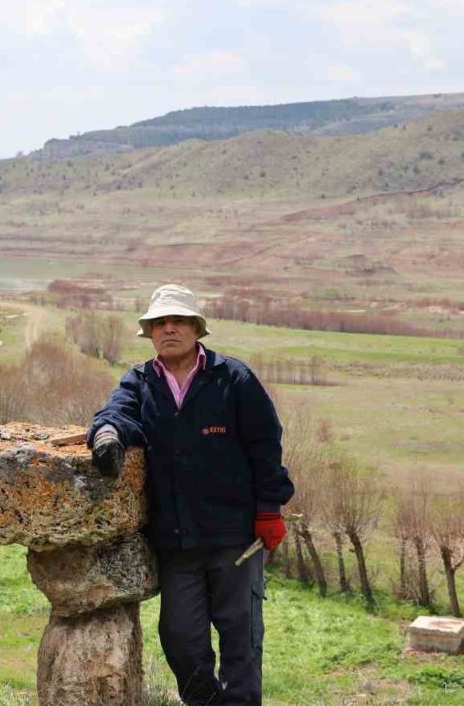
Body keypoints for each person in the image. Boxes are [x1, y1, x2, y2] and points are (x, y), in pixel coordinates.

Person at [86, 284, 294, 706]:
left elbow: (265, 444)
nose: (168, 329)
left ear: (196, 328)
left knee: (241, 640)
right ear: (149, 333)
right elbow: (116, 413)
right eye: (159, 323)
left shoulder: (233, 378)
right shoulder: (140, 381)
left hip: (235, 538)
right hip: (176, 541)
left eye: (177, 320)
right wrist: (107, 435)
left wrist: (269, 510)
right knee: (180, 638)